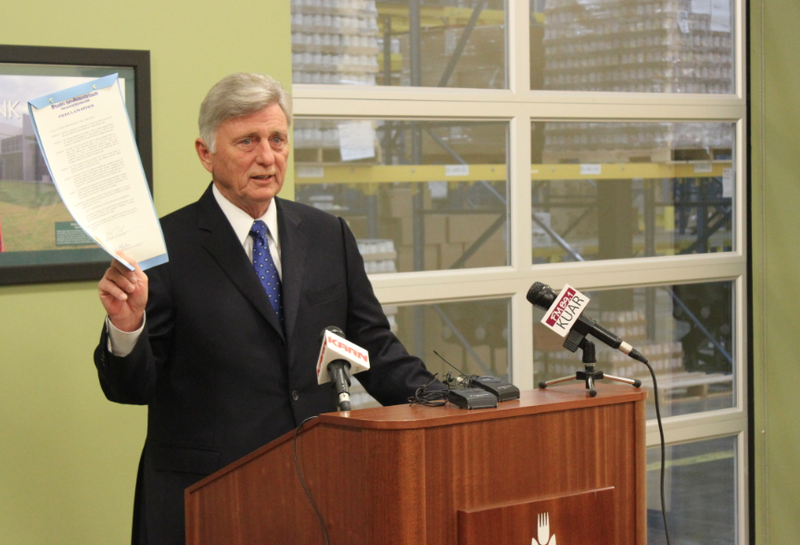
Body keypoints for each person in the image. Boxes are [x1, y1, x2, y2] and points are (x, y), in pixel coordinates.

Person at [94, 72, 439, 545]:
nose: (267, 157)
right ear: (205, 153)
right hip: (204, 499)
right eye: (248, 141)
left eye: (277, 138)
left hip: (312, 492)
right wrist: (126, 327)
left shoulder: (327, 234)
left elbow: (374, 348)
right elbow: (131, 388)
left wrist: (448, 403)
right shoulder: (161, 247)